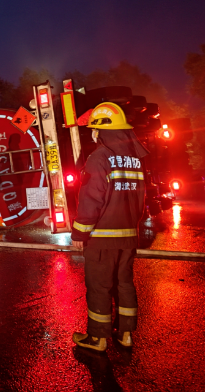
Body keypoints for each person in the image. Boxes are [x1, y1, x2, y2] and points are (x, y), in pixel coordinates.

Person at [71, 101, 149, 352]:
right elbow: (140, 199)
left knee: (99, 286)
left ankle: (98, 338)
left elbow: (91, 199)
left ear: (102, 130)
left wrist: (80, 232)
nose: (93, 134)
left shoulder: (99, 158)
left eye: (94, 129)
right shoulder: (134, 159)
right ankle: (125, 334)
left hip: (102, 239)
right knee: (124, 284)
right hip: (128, 237)